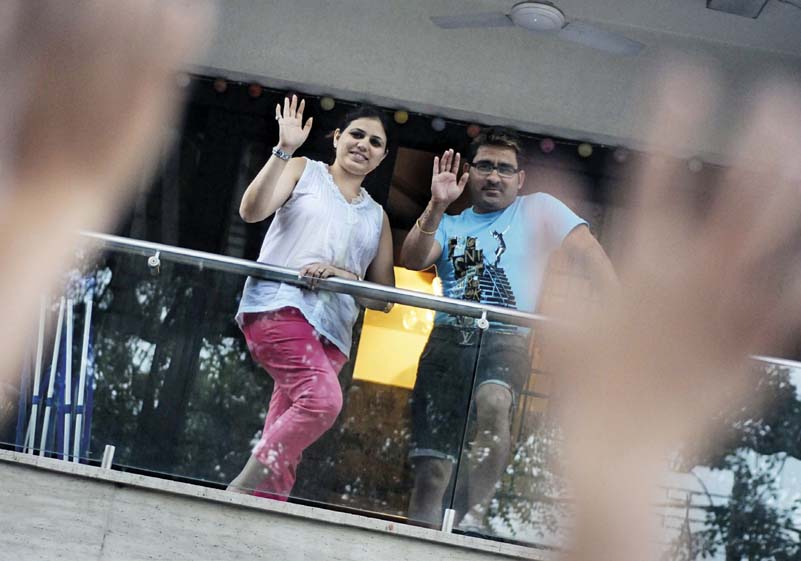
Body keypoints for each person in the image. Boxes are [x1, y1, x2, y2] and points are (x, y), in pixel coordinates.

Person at [400, 128, 617, 530]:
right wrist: (435, 204)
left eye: (504, 168)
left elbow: (588, 252)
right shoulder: (450, 224)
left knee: (496, 405)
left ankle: (475, 516)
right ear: (469, 172)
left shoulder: (539, 209)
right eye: (484, 166)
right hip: (448, 343)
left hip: (507, 338)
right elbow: (412, 258)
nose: (494, 176)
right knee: (432, 474)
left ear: (521, 178)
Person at [227, 96, 396, 500]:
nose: (363, 145)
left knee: (289, 440)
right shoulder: (305, 171)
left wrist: (344, 275)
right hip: (279, 308)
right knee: (322, 402)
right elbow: (251, 212)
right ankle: (236, 492)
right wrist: (285, 150)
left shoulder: (378, 216)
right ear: (337, 137)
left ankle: (263, 512)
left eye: (375, 142)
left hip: (333, 335)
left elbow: (384, 298)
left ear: (383, 156)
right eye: (356, 134)